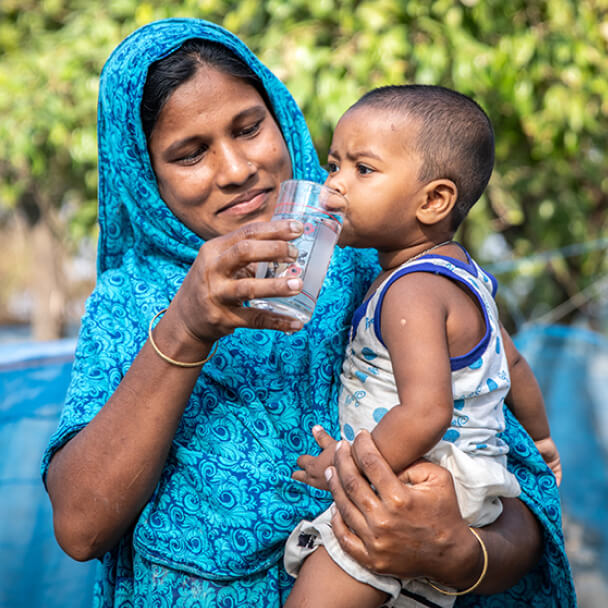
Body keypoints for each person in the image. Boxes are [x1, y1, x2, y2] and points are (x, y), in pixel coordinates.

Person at [39, 18, 574, 608]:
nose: (237, 168)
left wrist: (452, 552)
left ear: (280, 117)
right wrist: (188, 327)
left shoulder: (386, 265)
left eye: (249, 128)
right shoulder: (132, 302)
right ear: (145, 176)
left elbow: (520, 494)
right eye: (190, 154)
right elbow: (82, 527)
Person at [283, 85, 562, 608]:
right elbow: (514, 364)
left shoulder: (409, 290)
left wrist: (345, 469)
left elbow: (427, 411)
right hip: (465, 486)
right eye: (334, 165)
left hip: (407, 488)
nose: (334, 186)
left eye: (363, 170)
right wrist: (543, 442)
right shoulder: (464, 279)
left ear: (434, 200)